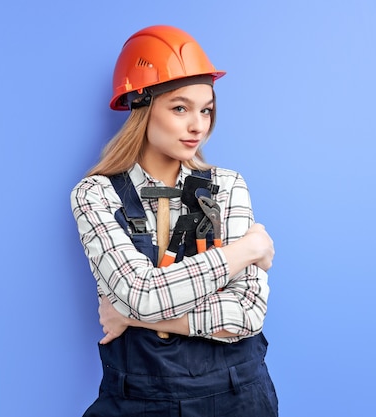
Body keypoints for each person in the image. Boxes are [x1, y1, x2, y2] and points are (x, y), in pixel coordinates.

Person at [70, 25, 278, 417]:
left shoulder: (225, 187)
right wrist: (243, 251)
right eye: (180, 108)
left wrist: (131, 317)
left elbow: (246, 313)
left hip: (238, 398)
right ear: (141, 107)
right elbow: (141, 292)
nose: (198, 125)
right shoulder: (95, 195)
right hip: (137, 400)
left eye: (206, 109)